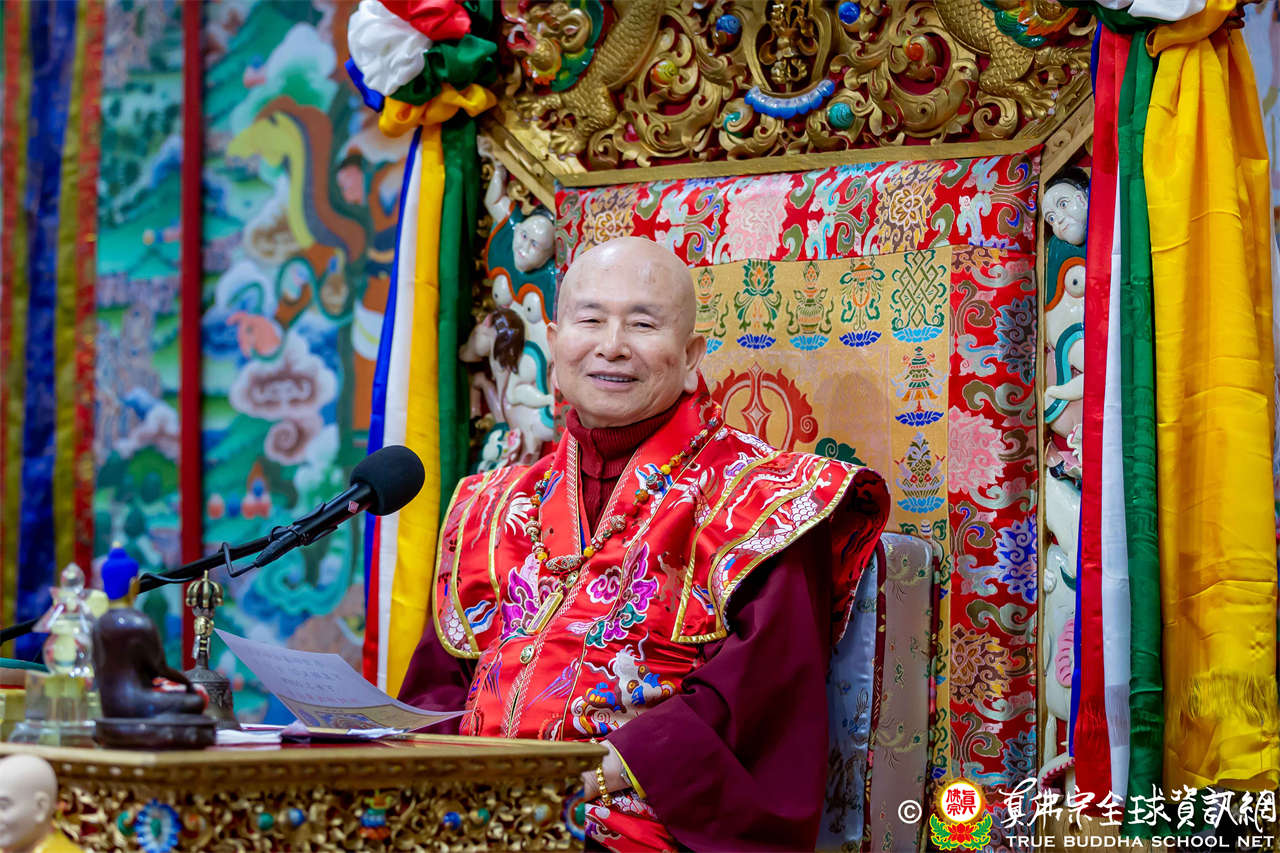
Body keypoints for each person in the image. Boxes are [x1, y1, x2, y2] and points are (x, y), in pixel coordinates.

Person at [399, 237, 889, 851]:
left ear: (691, 357)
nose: (612, 345)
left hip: (628, 824)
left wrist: (577, 780)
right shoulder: (492, 506)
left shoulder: (764, 502)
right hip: (469, 818)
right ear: (553, 342)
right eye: (590, 320)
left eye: (642, 323)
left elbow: (759, 698)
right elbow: (437, 697)